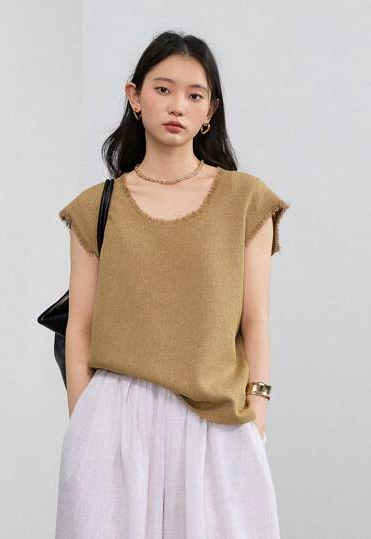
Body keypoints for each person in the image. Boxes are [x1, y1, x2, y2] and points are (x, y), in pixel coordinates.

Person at [54, 30, 290, 539]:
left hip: (217, 419)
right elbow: (81, 327)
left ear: (210, 112)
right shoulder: (96, 206)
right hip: (115, 417)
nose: (177, 105)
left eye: (195, 95)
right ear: (135, 97)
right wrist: (85, 420)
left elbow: (255, 320)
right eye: (162, 89)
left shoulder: (246, 201)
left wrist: (259, 407)